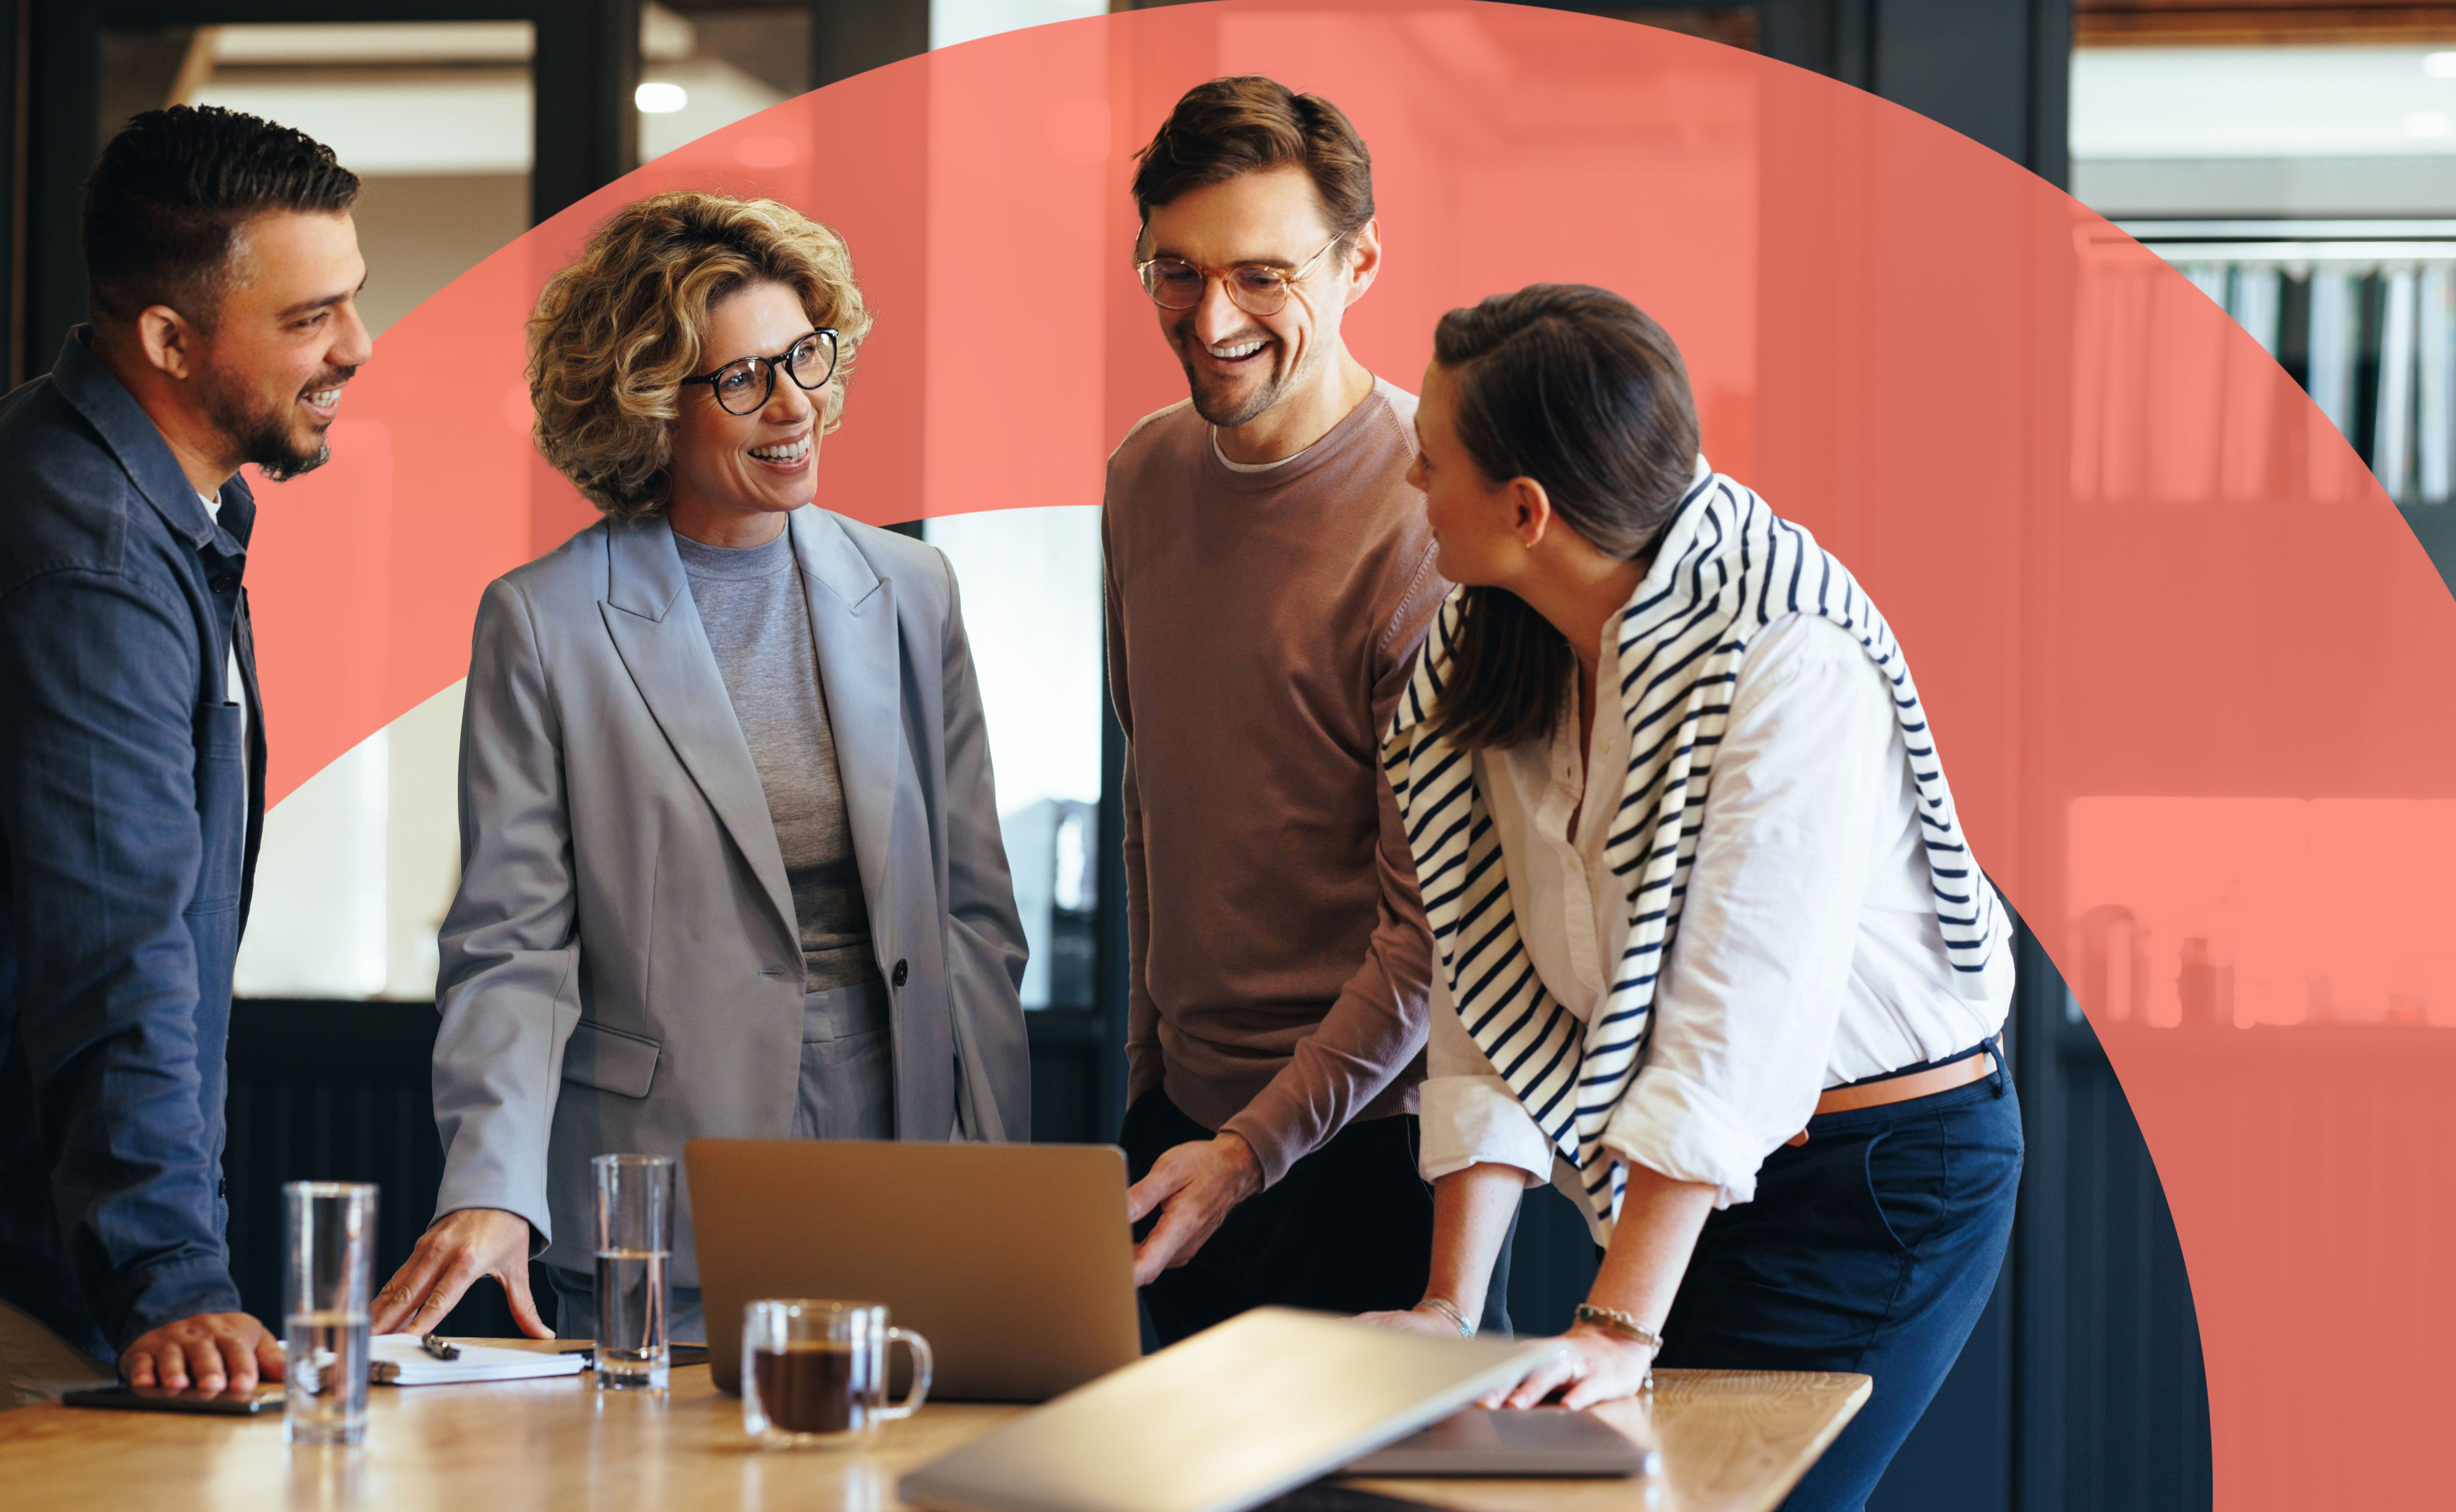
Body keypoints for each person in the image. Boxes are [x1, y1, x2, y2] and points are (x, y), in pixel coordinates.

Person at [1364, 284, 2021, 1512]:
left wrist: (1617, 1324)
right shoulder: (1494, 639)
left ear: (1525, 510)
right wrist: (1450, 1307)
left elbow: (1739, 1025)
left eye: (1431, 460)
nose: (1411, 480)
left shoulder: (1788, 652)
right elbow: (1485, 970)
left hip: (1877, 1179)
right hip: (1693, 1179)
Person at [370, 191, 1030, 1343]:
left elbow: (973, 917)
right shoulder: (546, 621)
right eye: (741, 380)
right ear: (647, 406)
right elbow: (511, 945)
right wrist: (492, 1183)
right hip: (657, 1176)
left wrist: (993, 1169)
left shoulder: (911, 590)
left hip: (901, 1153)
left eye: (806, 357)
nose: (794, 405)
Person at [1105, 76, 1491, 1345]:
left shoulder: (1431, 525)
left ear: (1359, 263)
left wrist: (1250, 1150)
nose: (1212, 318)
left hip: (1370, 1152)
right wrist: (1152, 1089)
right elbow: (1154, 806)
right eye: (1176, 271)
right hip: (1179, 1136)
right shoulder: (1144, 475)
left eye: (1263, 277)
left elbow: (1433, 934)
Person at [0, 106, 371, 1405]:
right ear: (169, 340)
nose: (357, 346)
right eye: (310, 317)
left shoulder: (160, 508)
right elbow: (116, 942)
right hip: (39, 1278)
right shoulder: (93, 555)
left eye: (353, 299)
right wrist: (169, 1277)